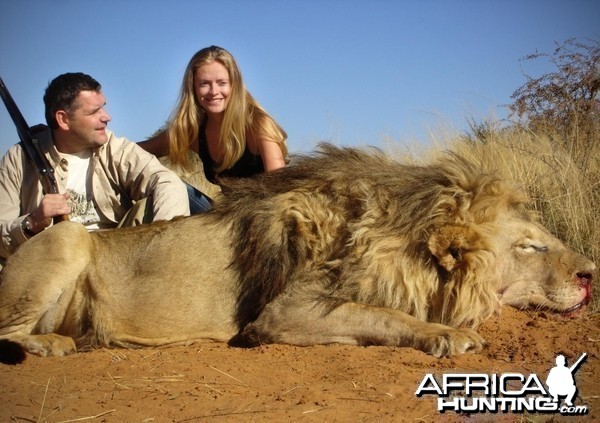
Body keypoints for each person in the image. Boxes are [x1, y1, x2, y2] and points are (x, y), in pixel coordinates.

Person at [0, 72, 190, 260]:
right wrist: (31, 222)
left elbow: (165, 181)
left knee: (150, 205)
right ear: (63, 119)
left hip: (114, 258)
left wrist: (165, 247)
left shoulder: (115, 147)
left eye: (103, 108)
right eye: (93, 112)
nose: (107, 117)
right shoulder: (18, 159)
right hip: (53, 261)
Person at [138, 45, 288, 213]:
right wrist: (106, 146)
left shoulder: (257, 124)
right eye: (204, 84)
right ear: (193, 88)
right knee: (169, 184)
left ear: (234, 85)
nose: (214, 91)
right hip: (224, 217)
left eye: (222, 83)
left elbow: (279, 187)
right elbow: (138, 151)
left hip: (260, 216)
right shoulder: (193, 131)